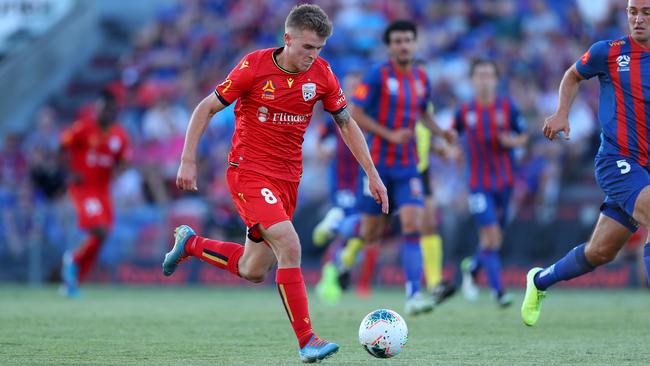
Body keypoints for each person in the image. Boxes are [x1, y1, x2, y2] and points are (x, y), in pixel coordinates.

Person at [161, 5, 388, 363]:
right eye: (307, 47)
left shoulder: (323, 75)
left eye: (319, 49)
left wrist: (372, 174)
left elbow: (346, 124)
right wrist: (188, 159)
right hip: (248, 173)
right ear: (287, 39)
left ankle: (191, 243)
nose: (313, 56)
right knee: (290, 245)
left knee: (253, 270)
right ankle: (307, 340)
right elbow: (205, 107)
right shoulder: (253, 67)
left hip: (288, 180)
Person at [521, 0, 650, 326]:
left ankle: (539, 281)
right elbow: (573, 75)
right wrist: (562, 112)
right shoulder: (608, 52)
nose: (638, 19)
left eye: (647, 12)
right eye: (633, 11)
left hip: (646, 172)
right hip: (617, 161)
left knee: (600, 252)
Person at [350, 20, 454, 315]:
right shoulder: (375, 75)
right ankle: (343, 240)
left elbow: (421, 113)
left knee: (413, 225)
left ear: (415, 43)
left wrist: (441, 132)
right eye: (397, 41)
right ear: (389, 46)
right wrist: (389, 134)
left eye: (408, 40)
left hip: (409, 167)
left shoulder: (422, 78)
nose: (403, 45)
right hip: (378, 166)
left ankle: (413, 295)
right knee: (371, 233)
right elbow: (354, 113)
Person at [454, 59, 528, 307]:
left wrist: (512, 142)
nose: (484, 80)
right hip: (478, 183)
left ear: (496, 79)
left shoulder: (507, 107)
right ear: (472, 80)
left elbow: (524, 135)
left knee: (494, 239)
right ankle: (499, 292)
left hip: (505, 182)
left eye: (489, 75)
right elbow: (452, 134)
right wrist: (450, 150)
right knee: (491, 234)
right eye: (480, 75)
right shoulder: (465, 110)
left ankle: (472, 268)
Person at [60, 90, 130, 297]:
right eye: (101, 109)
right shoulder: (82, 128)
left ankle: (73, 281)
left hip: (103, 191)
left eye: (109, 109)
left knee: (104, 235)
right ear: (96, 109)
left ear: (114, 111)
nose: (105, 113)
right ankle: (72, 261)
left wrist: (123, 166)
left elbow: (122, 161)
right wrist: (70, 172)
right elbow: (61, 148)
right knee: (99, 230)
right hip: (84, 189)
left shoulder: (119, 135)